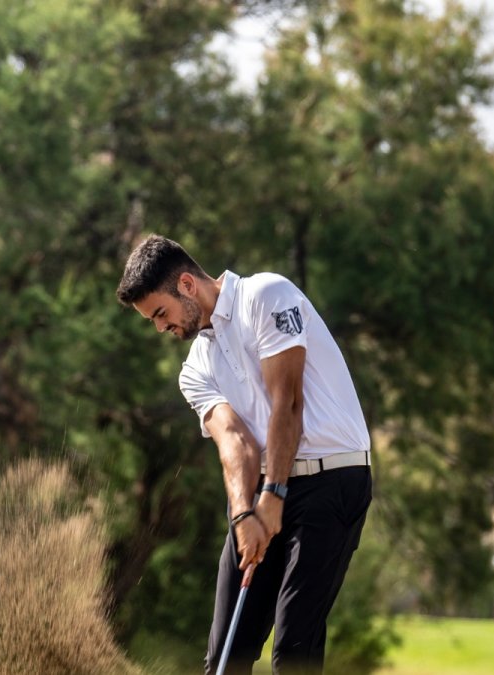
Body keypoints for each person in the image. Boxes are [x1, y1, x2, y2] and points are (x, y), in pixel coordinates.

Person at [116, 235, 372, 674]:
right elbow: (234, 441)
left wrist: (273, 496)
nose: (161, 328)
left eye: (160, 313)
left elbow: (287, 402)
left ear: (187, 285)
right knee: (225, 654)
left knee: (294, 647)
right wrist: (243, 516)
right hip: (267, 488)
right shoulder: (195, 368)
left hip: (334, 480)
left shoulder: (266, 295)